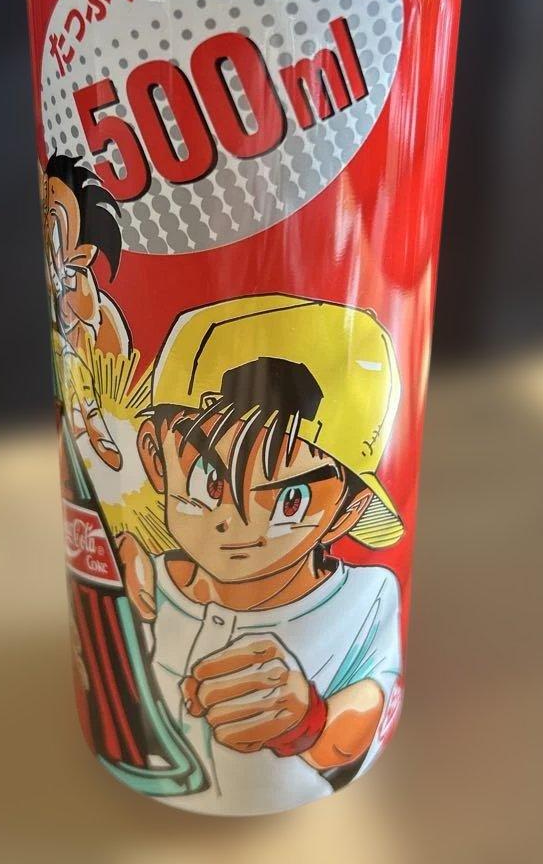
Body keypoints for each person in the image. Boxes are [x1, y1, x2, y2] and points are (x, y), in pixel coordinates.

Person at [117, 294, 406, 814]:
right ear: (155, 458)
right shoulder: (147, 581)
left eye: (290, 500)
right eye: (209, 479)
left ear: (346, 511)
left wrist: (306, 722)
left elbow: (367, 707)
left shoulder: (365, 598)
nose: (236, 523)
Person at [42, 154, 131, 471]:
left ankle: (92, 417)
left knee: (76, 357)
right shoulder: (56, 248)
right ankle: (87, 421)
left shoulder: (78, 274)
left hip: (82, 344)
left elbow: (87, 315)